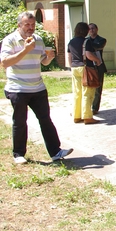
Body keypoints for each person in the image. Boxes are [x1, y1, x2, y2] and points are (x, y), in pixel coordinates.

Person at [1, 11, 73, 164]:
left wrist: (50, 57)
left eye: (33, 25)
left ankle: (56, 152)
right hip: (18, 88)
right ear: (19, 25)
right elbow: (5, 63)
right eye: (27, 24)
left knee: (45, 120)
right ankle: (18, 154)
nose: (30, 28)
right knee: (20, 121)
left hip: (38, 88)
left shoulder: (38, 40)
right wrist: (25, 49)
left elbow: (43, 62)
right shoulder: (10, 40)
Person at [67, 22, 102, 125]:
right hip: (85, 68)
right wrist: (97, 60)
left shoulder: (71, 42)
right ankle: (87, 116)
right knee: (87, 92)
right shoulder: (87, 42)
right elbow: (88, 54)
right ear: (85, 31)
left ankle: (76, 115)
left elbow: (69, 56)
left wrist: (71, 66)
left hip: (74, 67)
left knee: (77, 93)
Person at [87, 23, 107, 115]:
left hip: (99, 66)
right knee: (89, 87)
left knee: (98, 88)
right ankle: (87, 107)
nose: (91, 30)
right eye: (89, 29)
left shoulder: (102, 40)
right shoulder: (86, 40)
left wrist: (87, 46)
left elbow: (98, 46)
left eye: (93, 28)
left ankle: (95, 108)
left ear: (97, 29)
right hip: (89, 66)